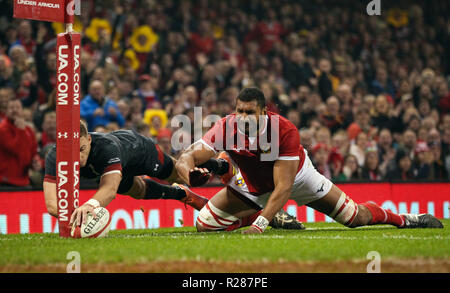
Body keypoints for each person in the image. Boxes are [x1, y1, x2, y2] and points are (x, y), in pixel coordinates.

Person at [175, 87, 443, 234]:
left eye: (249, 112)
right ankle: (261, 214)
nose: (242, 117)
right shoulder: (224, 127)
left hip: (298, 178)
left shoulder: (283, 130)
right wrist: (188, 172)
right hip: (253, 187)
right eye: (239, 111)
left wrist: (260, 226)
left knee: (354, 218)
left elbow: (283, 187)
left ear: (264, 112)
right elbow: (188, 155)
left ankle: (405, 219)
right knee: (204, 225)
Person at [43, 120, 300, 229]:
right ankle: (183, 196)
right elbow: (53, 204)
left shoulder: (105, 148)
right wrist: (73, 214)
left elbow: (107, 190)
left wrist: (88, 204)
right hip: (120, 171)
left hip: (138, 149)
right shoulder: (54, 157)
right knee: (135, 191)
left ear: (89, 138)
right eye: (71, 152)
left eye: (82, 149)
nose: (77, 157)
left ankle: (222, 167)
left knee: (180, 173)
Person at [0, 98, 37, 186]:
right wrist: (20, 131)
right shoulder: (2, 129)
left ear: (22, 110)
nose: (15, 110)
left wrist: (36, 161)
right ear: (6, 111)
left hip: (23, 178)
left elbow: (33, 150)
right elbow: (15, 149)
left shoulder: (28, 130)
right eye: (11, 108)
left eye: (17, 107)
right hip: (6, 180)